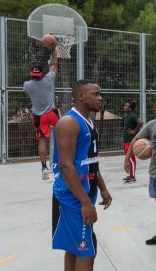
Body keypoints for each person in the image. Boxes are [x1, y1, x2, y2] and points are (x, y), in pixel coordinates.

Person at [52, 80, 112, 271]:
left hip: (83, 195)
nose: (100, 97)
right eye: (95, 94)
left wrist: (103, 189)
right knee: (87, 251)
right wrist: (85, 202)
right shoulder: (69, 122)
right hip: (73, 198)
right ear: (80, 96)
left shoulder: (88, 122)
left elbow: (91, 161)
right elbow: (65, 166)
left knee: (74, 247)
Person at [124, 97, 156, 262]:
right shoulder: (151, 125)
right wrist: (127, 158)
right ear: (155, 110)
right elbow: (135, 140)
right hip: (154, 171)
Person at [23, 46, 59, 180]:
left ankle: (44, 167)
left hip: (39, 116)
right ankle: (67, 159)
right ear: (42, 73)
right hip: (52, 112)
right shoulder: (48, 79)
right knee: (63, 134)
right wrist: (53, 50)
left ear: (31, 73)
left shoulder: (27, 85)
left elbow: (32, 82)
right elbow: (54, 65)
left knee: (42, 141)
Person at [122, 100, 142, 183]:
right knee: (128, 158)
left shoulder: (133, 116)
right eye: (124, 106)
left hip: (130, 141)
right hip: (126, 140)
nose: (124, 107)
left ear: (130, 108)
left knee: (131, 158)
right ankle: (130, 175)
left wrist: (134, 131)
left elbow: (141, 122)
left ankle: (132, 177)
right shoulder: (127, 116)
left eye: (126, 106)